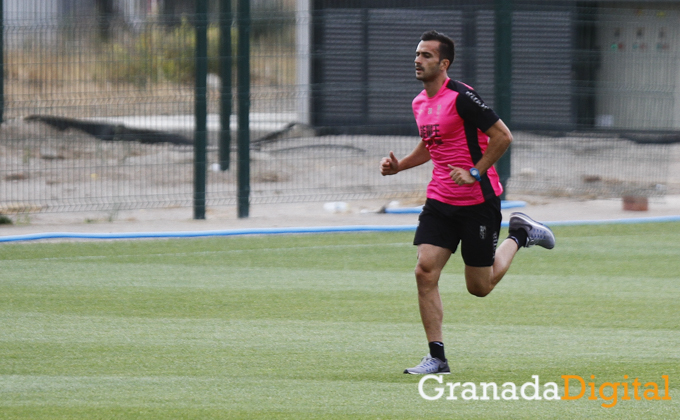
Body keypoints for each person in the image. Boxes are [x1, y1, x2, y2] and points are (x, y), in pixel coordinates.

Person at [380, 30, 555, 375]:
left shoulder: (461, 97)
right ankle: (437, 357)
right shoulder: (419, 103)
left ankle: (519, 234)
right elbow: (432, 145)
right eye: (417, 54)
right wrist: (400, 165)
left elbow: (503, 136)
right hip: (440, 201)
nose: (418, 60)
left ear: (444, 64)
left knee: (480, 287)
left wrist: (475, 172)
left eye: (427, 55)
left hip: (478, 201)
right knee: (424, 270)